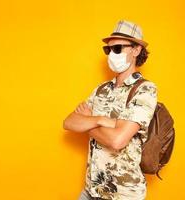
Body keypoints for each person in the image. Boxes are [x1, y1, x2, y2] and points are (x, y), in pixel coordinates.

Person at [63, 20, 157, 200]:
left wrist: (88, 121)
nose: (111, 54)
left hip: (123, 195)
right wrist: (101, 120)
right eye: (108, 49)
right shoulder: (101, 89)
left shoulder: (145, 90)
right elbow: (68, 122)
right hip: (92, 189)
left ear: (136, 50)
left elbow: (117, 141)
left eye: (118, 48)